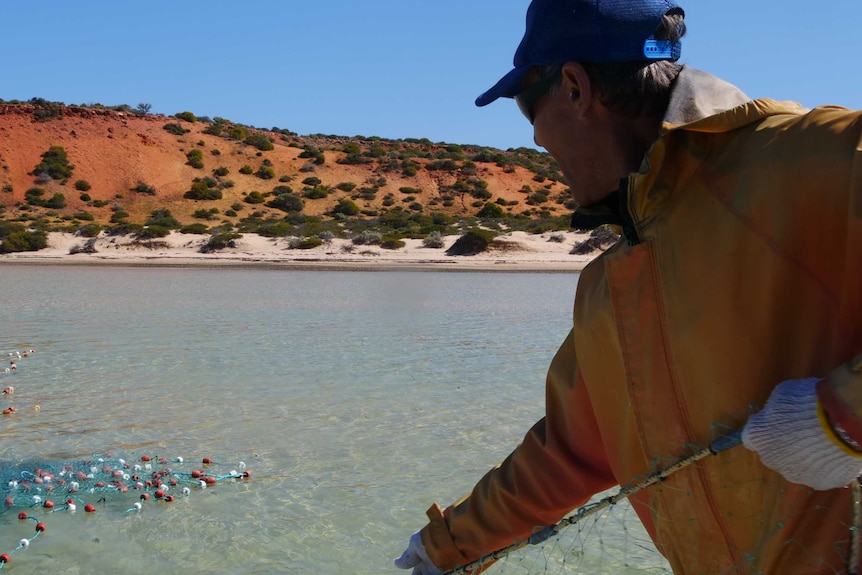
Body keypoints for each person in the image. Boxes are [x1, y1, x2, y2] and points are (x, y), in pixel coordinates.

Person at [395, 1, 862, 573]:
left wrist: (847, 417)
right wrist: (447, 548)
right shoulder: (608, 287)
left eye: (525, 106)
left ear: (574, 87)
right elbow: (567, 454)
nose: (538, 140)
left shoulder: (818, 156)